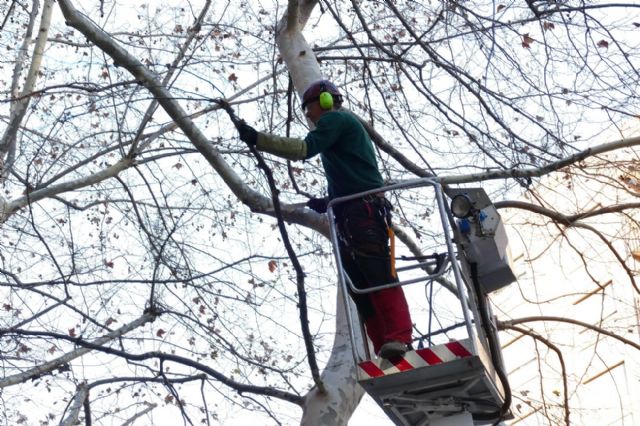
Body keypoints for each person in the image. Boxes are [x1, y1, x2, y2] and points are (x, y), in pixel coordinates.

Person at [232, 79, 412, 358]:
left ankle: (399, 338)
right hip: (350, 215)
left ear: (325, 101)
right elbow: (354, 174)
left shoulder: (336, 119)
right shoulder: (339, 131)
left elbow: (303, 149)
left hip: (363, 212)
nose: (309, 116)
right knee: (360, 287)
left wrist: (259, 139)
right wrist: (327, 202)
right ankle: (385, 348)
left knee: (377, 274)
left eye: (309, 109)